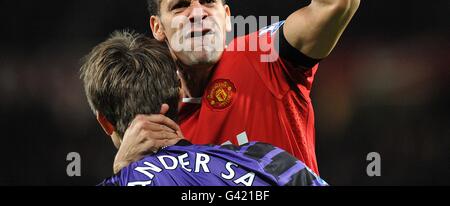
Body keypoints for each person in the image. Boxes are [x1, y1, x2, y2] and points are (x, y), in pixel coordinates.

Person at [113, 0, 361, 175]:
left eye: (208, 1)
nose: (197, 13)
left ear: (227, 17)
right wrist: (123, 171)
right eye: (180, 6)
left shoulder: (264, 57)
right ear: (157, 27)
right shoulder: (157, 125)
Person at [80, 30, 327, 186]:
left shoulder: (124, 180)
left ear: (105, 122)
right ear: (179, 97)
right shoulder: (265, 160)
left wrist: (122, 173)